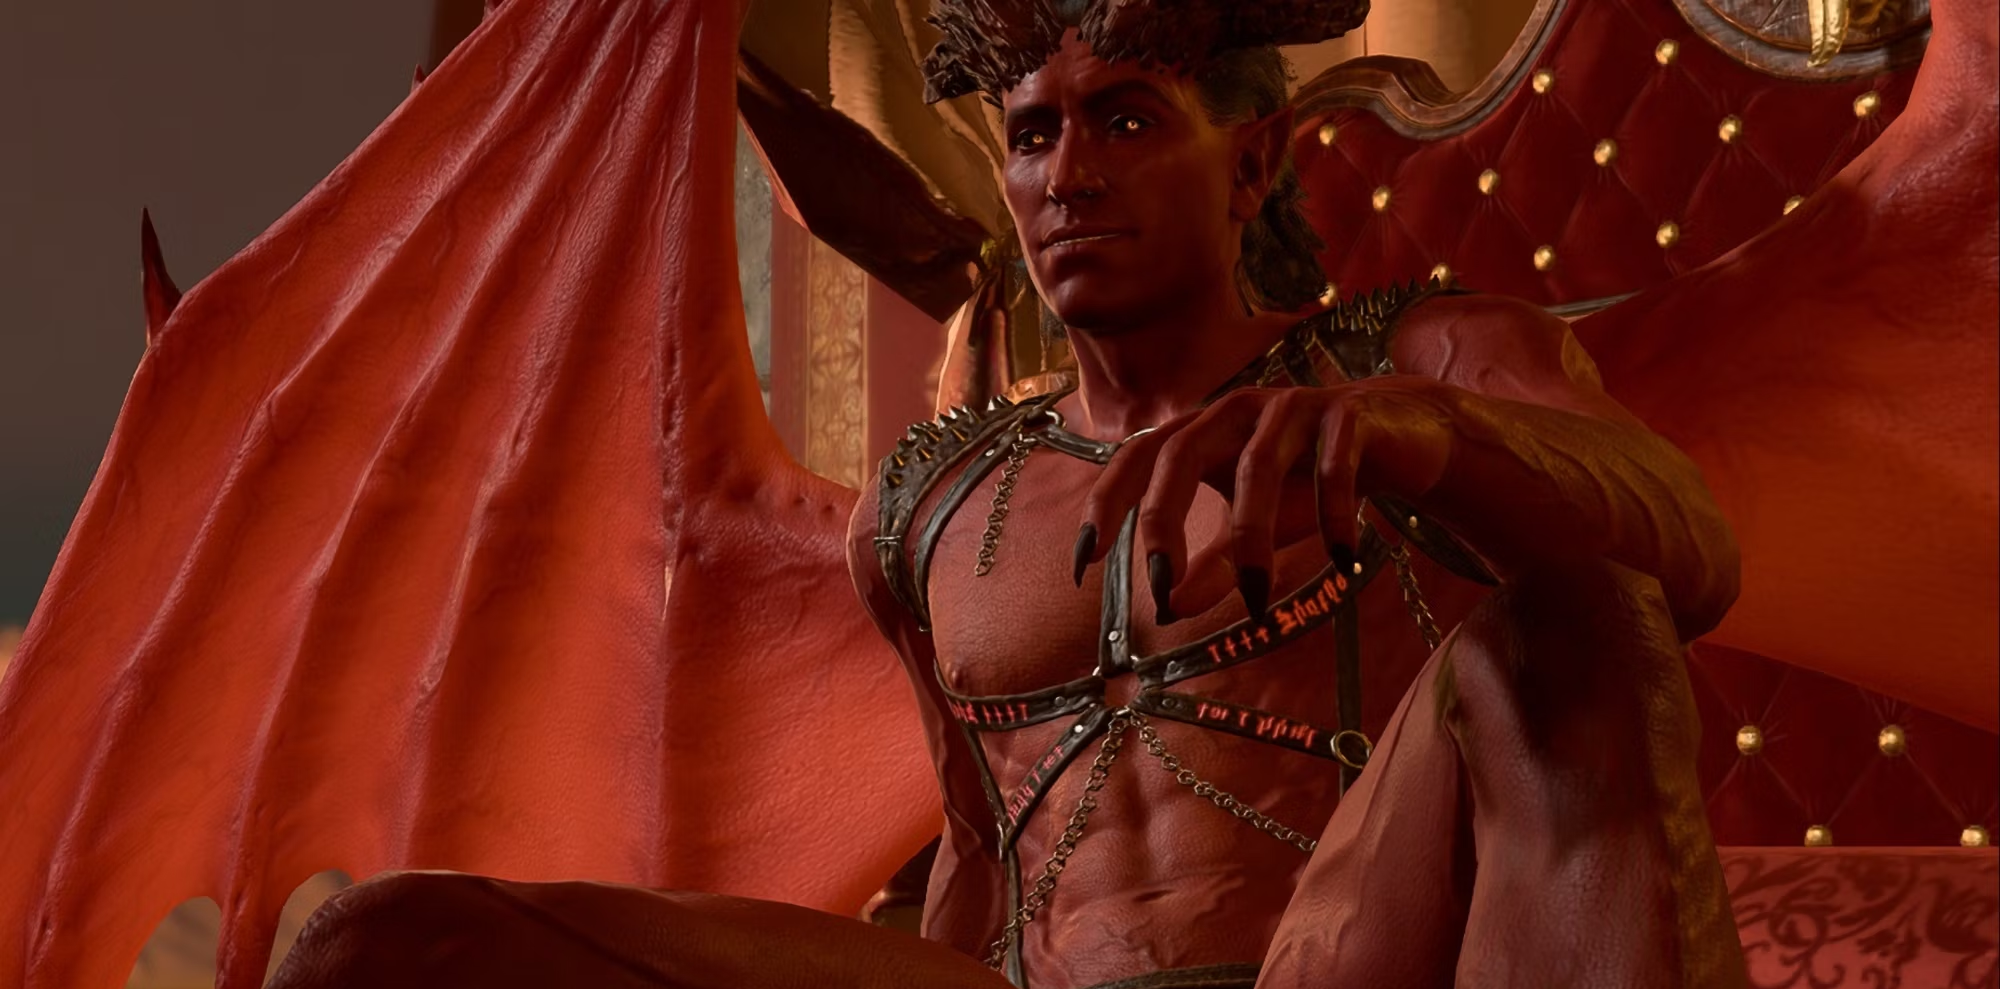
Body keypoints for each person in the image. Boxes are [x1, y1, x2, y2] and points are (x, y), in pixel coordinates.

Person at [267, 3, 1750, 987]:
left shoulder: (1412, 356)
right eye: (1034, 135)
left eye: (1126, 121)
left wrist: (1421, 436)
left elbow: (1687, 554)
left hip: (1329, 958)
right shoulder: (927, 501)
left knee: (1581, 623)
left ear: (1253, 166)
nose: (1066, 177)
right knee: (380, 943)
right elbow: (978, 867)